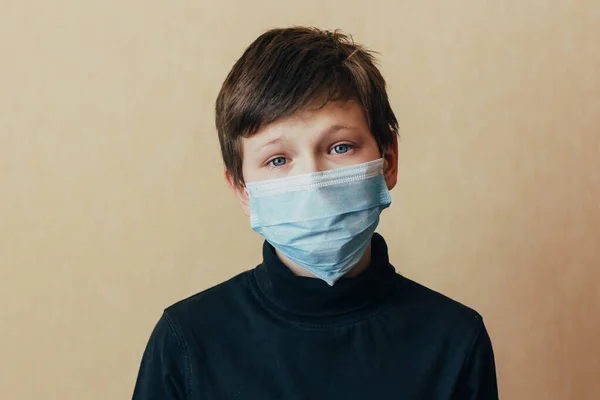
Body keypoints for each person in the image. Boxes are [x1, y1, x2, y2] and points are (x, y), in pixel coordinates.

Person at [132, 26, 499, 399]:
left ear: (388, 160)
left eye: (340, 147)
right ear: (242, 190)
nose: (313, 181)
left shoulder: (454, 339)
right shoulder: (186, 342)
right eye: (278, 159)